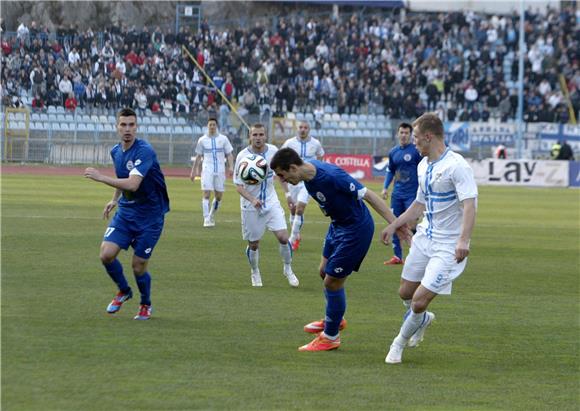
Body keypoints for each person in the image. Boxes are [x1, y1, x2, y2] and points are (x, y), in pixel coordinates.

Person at [270, 148, 409, 352]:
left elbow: (368, 195)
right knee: (323, 271)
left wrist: (395, 225)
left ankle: (331, 336)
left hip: (355, 229)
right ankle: (334, 318)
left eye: (283, 175)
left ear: (292, 168)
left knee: (332, 282)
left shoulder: (331, 177)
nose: (283, 180)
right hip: (338, 225)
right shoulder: (306, 171)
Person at [381, 113, 478, 364]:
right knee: (405, 292)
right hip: (424, 238)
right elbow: (418, 205)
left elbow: (470, 205)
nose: (413, 143)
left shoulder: (457, 166)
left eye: (415, 138)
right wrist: (394, 225)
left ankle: (398, 343)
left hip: (448, 246)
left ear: (428, 136)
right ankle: (421, 320)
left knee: (419, 300)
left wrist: (463, 241)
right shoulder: (423, 165)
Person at [84, 108, 170, 320]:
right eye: (123, 125)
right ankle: (124, 291)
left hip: (151, 216)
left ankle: (145, 303)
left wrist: (100, 177)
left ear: (137, 127)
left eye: (131, 125)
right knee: (106, 254)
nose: (127, 129)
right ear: (117, 127)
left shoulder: (145, 151)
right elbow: (123, 177)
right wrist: (115, 199)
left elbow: (133, 182)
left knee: (138, 266)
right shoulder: (116, 151)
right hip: (127, 212)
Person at [234, 123, 299, 288]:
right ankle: (255, 271)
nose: (258, 138)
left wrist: (288, 195)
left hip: (271, 202)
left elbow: (282, 175)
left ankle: (288, 269)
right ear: (249, 136)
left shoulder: (273, 152)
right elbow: (238, 186)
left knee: (284, 238)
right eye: (254, 135)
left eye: (261, 134)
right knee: (254, 244)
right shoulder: (242, 156)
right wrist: (252, 199)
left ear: (266, 136)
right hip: (251, 206)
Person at [381, 123, 422, 265]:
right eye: (401, 132)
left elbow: (423, 168)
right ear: (398, 134)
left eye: (406, 133)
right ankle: (397, 256)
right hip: (397, 195)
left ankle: (415, 255)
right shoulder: (393, 152)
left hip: (412, 195)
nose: (403, 135)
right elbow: (391, 171)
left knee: (411, 225)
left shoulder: (416, 151)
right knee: (395, 223)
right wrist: (385, 188)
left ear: (410, 135)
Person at [281, 120, 325, 250]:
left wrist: (316, 171)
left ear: (309, 129)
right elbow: (281, 155)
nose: (303, 129)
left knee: (300, 208)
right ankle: (297, 235)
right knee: (293, 209)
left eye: (305, 127)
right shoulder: (289, 143)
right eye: (301, 127)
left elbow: (321, 156)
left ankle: (292, 239)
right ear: (297, 128)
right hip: (293, 181)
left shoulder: (315, 143)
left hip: (307, 181)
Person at [190, 117, 234, 227]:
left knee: (219, 196)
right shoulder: (202, 140)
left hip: (220, 170)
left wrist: (231, 167)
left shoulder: (223, 139)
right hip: (207, 169)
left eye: (214, 125)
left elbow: (229, 154)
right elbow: (198, 157)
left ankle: (211, 215)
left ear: (216, 126)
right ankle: (206, 218)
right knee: (206, 193)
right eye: (210, 125)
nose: (212, 127)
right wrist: (194, 171)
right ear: (207, 126)